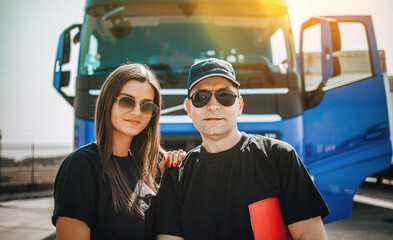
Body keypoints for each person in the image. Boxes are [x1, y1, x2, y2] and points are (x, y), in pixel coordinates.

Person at [155, 58, 330, 240]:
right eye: (201, 98)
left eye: (225, 96)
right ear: (189, 108)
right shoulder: (177, 175)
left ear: (239, 106)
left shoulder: (279, 158)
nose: (213, 106)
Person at [52, 63, 185, 240]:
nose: (137, 112)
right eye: (126, 101)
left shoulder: (149, 172)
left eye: (146, 106)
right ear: (108, 102)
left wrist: (171, 180)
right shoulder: (81, 166)